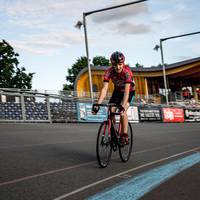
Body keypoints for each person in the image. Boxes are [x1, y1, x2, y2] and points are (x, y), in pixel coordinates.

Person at [92, 51, 135, 143]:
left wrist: (122, 106)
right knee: (111, 110)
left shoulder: (127, 72)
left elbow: (126, 92)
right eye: (115, 65)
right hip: (117, 91)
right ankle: (114, 133)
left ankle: (124, 134)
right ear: (112, 64)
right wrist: (98, 104)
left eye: (120, 64)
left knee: (122, 111)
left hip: (129, 91)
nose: (118, 67)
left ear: (123, 63)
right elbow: (104, 89)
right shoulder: (109, 72)